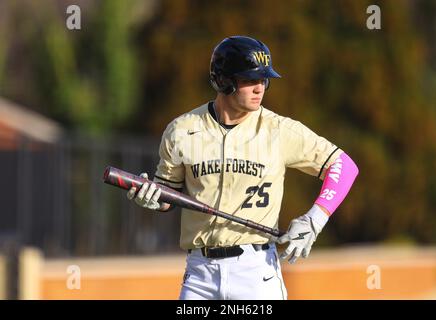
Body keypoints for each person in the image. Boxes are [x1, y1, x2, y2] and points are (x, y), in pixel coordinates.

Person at [127, 36, 359, 300]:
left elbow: (344, 166)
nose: (259, 88)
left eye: (264, 80)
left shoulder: (279, 129)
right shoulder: (181, 130)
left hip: (256, 273)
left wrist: (314, 219)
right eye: (250, 80)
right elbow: (168, 194)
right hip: (199, 275)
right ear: (224, 80)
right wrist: (151, 198)